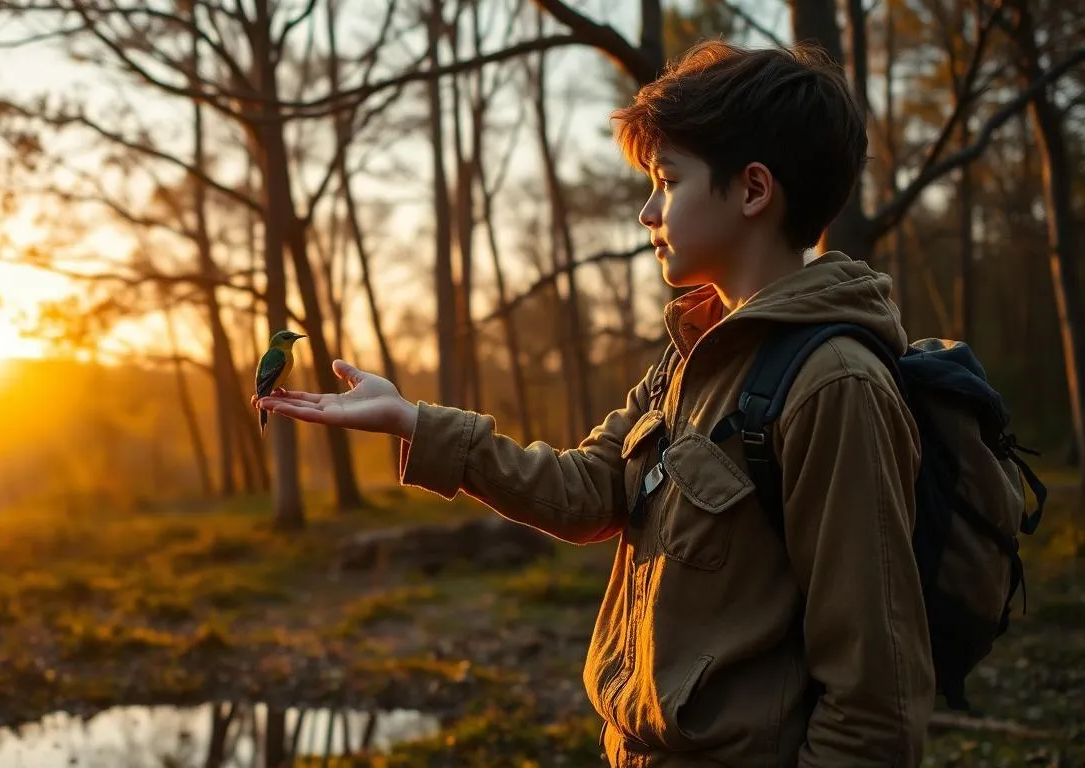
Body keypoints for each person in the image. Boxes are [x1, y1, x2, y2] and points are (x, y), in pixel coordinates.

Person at [254, 39, 935, 767]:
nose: (647, 211)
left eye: (667, 181)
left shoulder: (836, 386)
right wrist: (411, 421)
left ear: (753, 190)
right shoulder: (692, 357)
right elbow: (586, 492)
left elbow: (874, 708)